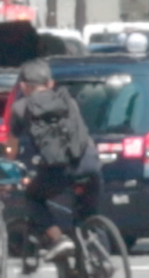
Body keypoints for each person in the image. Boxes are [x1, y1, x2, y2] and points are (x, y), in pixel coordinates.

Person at [6, 58, 99, 250]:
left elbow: (12, 147)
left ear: (23, 86)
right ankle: (96, 245)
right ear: (50, 83)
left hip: (58, 169)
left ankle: (59, 239)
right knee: (88, 217)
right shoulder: (69, 101)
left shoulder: (20, 108)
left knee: (33, 197)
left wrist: (7, 170)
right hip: (90, 162)